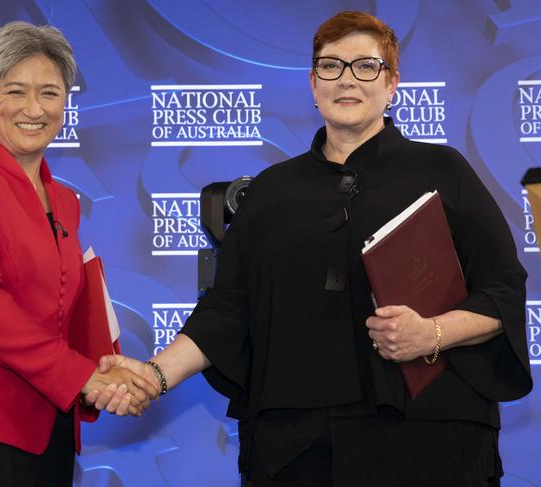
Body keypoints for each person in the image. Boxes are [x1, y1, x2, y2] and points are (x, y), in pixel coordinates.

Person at [93, 10, 533, 487]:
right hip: (295, 448)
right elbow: (226, 313)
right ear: (313, 83)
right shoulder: (270, 192)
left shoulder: (444, 171)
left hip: (429, 440)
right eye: (331, 66)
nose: (347, 80)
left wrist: (432, 333)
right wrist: (152, 376)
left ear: (392, 85)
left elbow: (504, 291)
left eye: (366, 66)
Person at [0, 21, 157, 487]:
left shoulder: (64, 201)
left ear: (67, 101)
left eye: (50, 93)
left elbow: (63, 310)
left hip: (50, 425)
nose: (33, 109)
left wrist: (107, 377)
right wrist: (85, 378)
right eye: (15, 92)